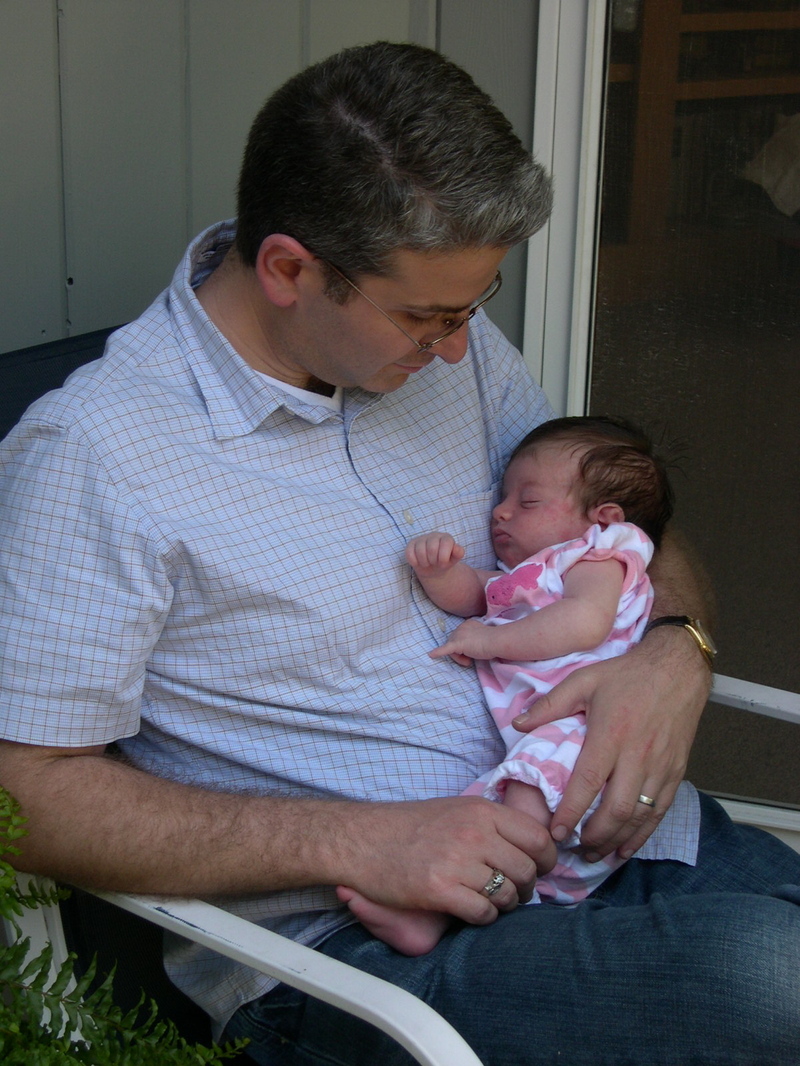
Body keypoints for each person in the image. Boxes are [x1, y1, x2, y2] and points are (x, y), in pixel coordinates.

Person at [0, 41, 797, 1066]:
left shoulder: (448, 350)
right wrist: (361, 839)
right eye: (428, 316)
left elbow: (622, 523)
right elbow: (24, 788)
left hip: (609, 839)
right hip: (368, 949)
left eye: (473, 307)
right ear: (290, 270)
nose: (458, 348)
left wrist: (673, 646)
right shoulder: (97, 456)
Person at [338, 415, 676, 954]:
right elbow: (477, 594)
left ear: (604, 518)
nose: (501, 511)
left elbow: (584, 623)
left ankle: (436, 913)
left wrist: (490, 640)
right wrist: (440, 572)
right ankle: (445, 905)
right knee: (489, 809)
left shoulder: (600, 557)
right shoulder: (537, 573)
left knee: (518, 804)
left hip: (583, 729)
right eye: (503, 497)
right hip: (553, 732)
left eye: (528, 501)